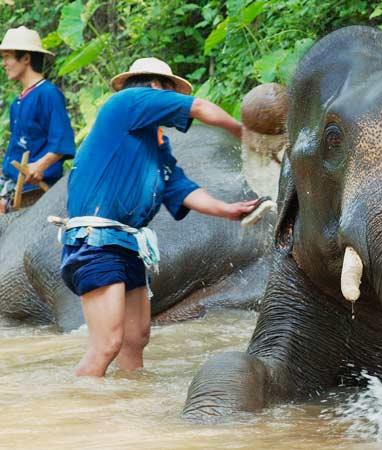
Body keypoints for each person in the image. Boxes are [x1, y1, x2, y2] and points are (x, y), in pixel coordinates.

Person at [56, 57, 274, 377]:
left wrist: (228, 210)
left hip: (128, 245)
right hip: (96, 240)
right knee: (107, 345)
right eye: (171, 93)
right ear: (157, 87)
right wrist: (244, 132)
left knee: (136, 340)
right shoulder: (128, 102)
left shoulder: (158, 149)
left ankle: (125, 410)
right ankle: (78, 416)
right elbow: (198, 107)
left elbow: (182, 190)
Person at [0, 26, 76, 213]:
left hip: (36, 192)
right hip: (12, 187)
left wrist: (40, 165)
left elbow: (62, 141)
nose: (4, 63)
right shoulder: (18, 101)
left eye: (7, 56)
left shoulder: (48, 94)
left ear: (26, 58)